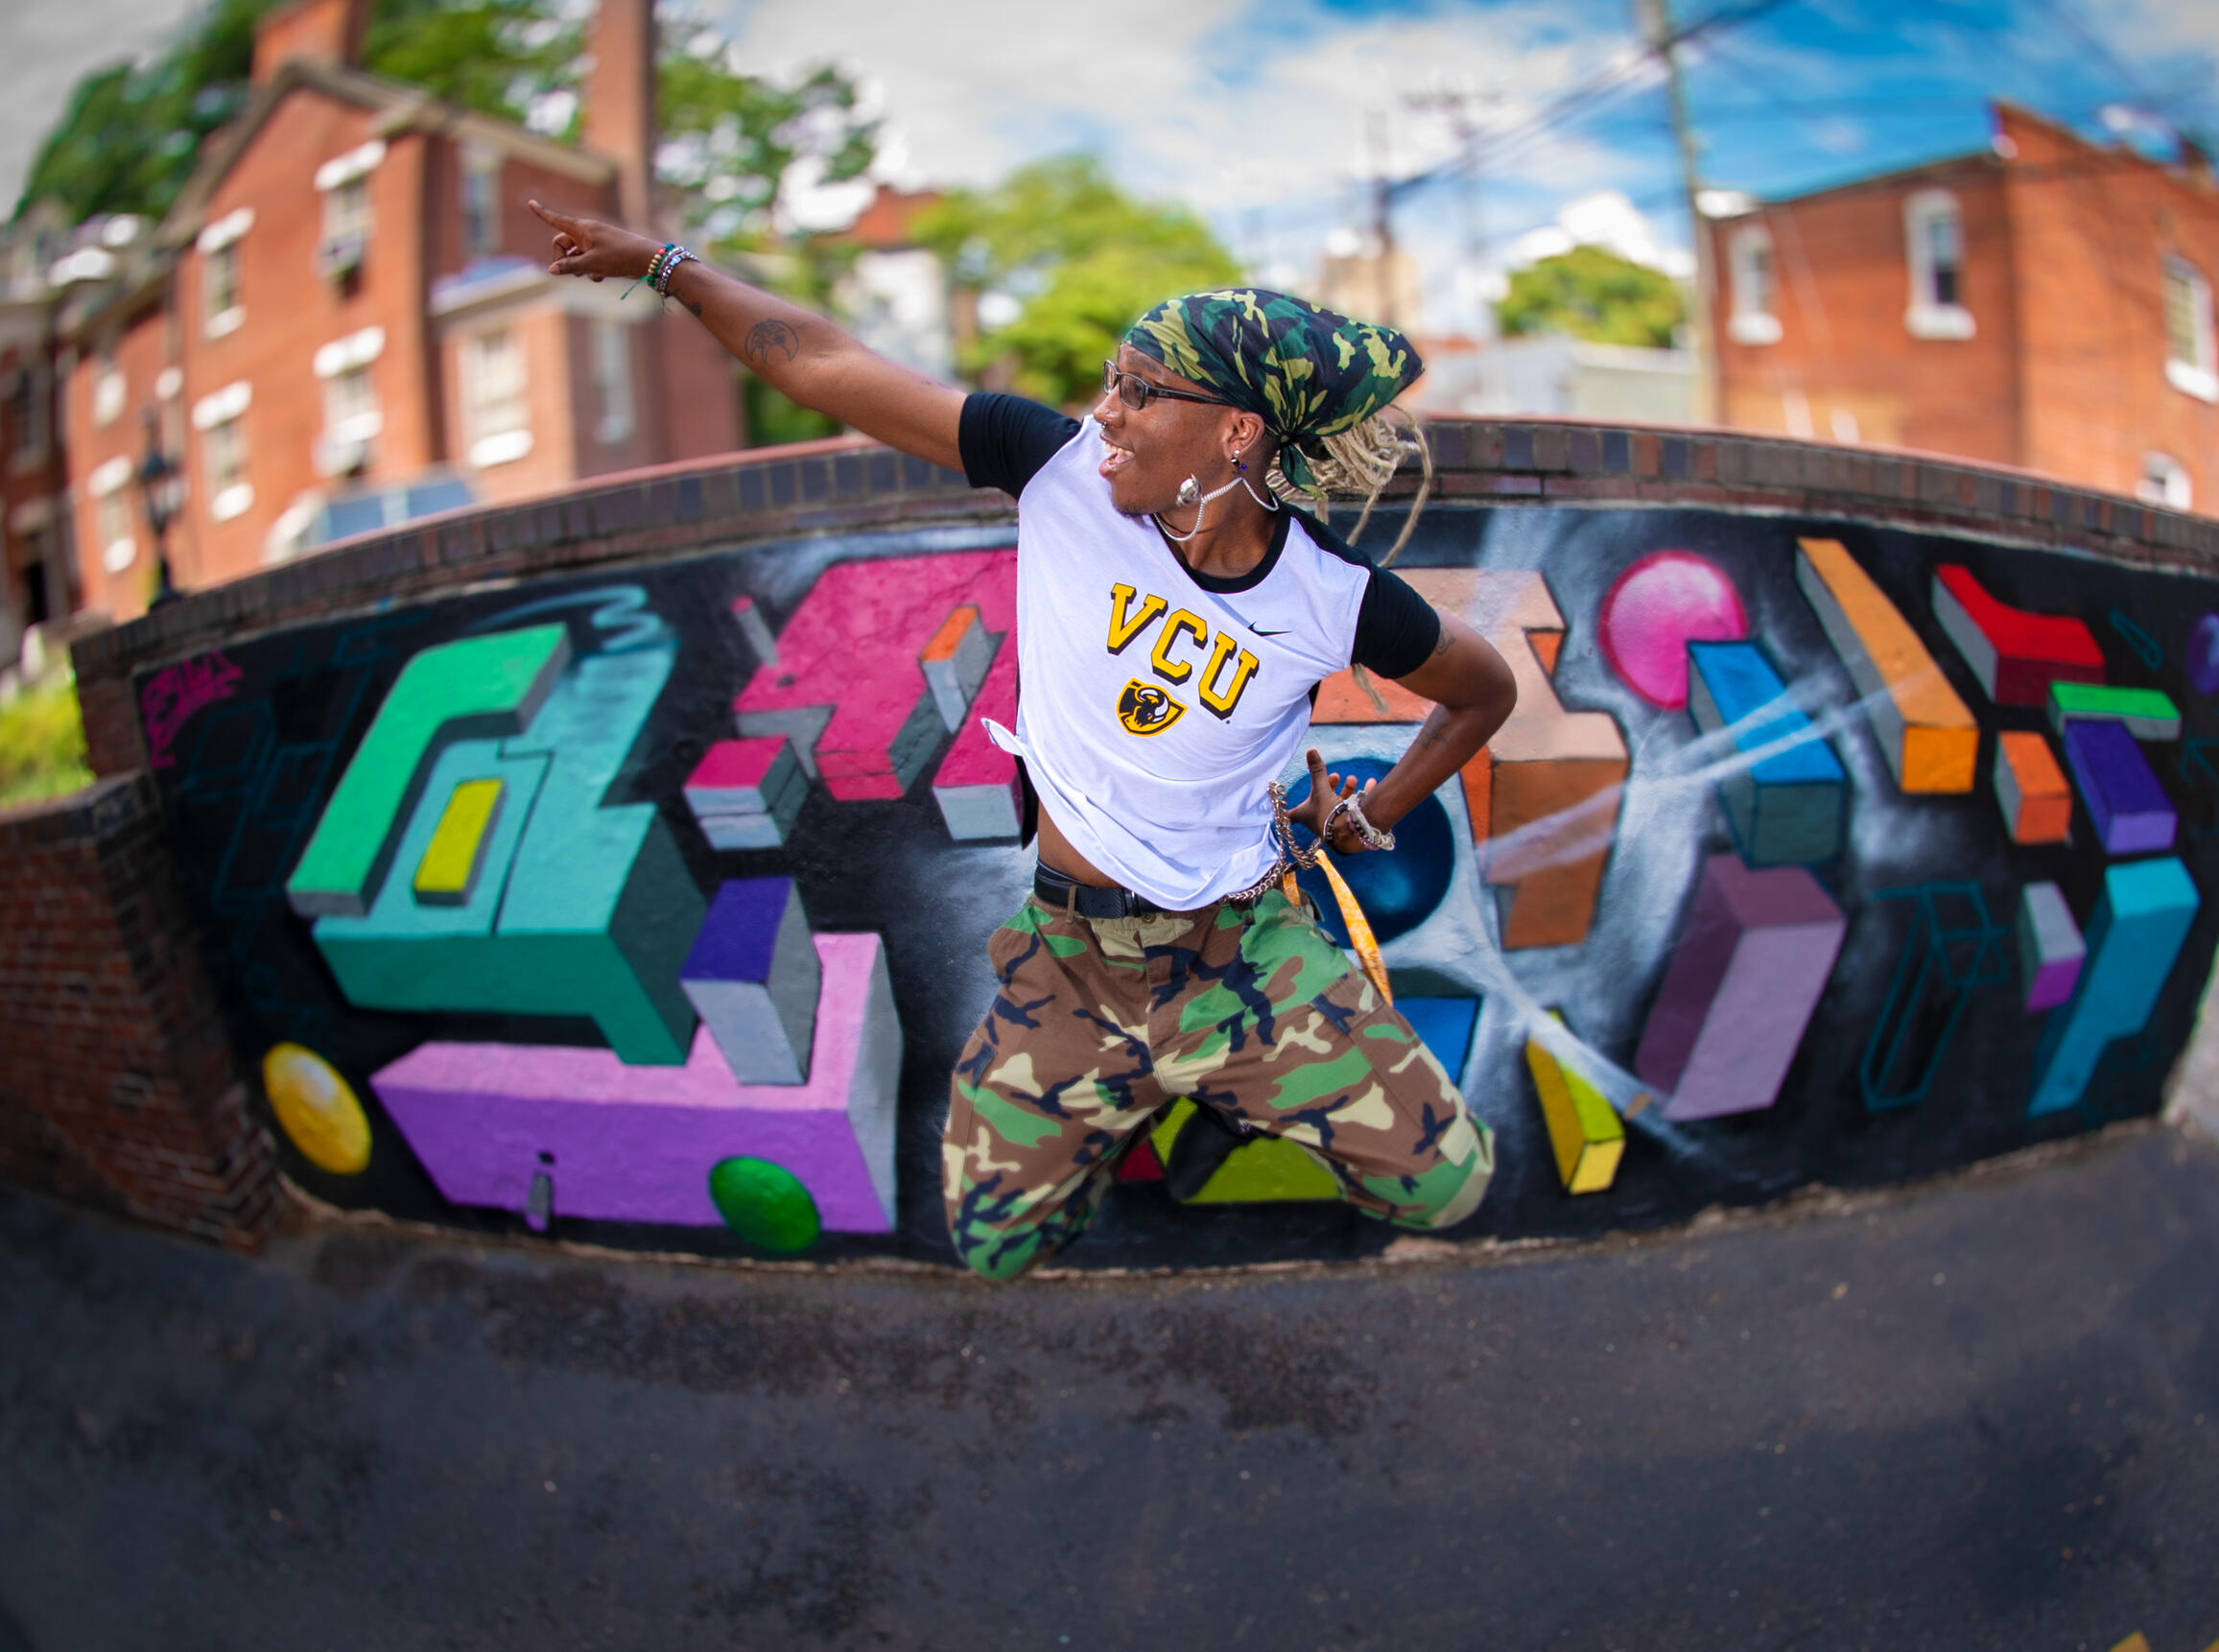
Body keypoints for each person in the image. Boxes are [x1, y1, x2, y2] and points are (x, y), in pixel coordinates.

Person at [533, 201, 1518, 1279]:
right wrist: (670, 268)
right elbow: (827, 363)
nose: (1108, 412)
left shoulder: (1334, 598)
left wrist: (1371, 812)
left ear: (1237, 431)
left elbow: (1482, 692)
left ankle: (1228, 1090)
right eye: (1111, 379)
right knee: (992, 1244)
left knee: (1449, 1181)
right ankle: (1137, 1104)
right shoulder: (1056, 473)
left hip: (1240, 961)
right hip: (1069, 966)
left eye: (1142, 392)